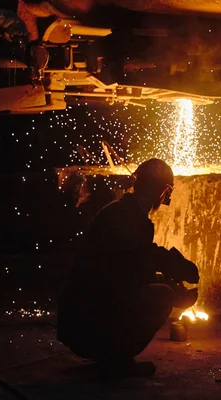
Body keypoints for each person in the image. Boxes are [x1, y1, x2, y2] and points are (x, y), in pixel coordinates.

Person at [57, 158, 200, 377]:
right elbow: (140, 260)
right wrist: (174, 271)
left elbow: (131, 267)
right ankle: (117, 360)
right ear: (164, 192)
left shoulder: (123, 212)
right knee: (161, 297)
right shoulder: (126, 217)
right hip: (87, 324)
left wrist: (167, 277)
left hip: (83, 318)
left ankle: (111, 356)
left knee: (161, 289)